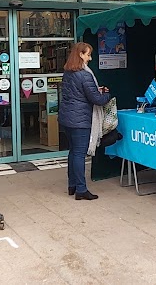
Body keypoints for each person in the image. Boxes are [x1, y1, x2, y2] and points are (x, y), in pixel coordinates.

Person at [58, 42, 111, 200]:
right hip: (80, 120)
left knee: (73, 152)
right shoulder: (84, 74)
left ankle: (72, 185)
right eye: (88, 54)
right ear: (80, 54)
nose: (90, 58)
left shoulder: (68, 72)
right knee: (80, 154)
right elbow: (96, 99)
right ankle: (81, 189)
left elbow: (78, 93)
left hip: (67, 117)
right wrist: (107, 94)